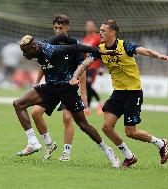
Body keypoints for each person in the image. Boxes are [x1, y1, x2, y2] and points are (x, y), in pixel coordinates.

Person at [70, 19, 168, 168]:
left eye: (103, 30)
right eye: (100, 30)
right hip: (118, 93)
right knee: (106, 127)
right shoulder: (100, 49)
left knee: (131, 132)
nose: (100, 33)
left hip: (133, 92)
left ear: (112, 32)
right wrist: (75, 76)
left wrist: (159, 56)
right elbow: (85, 63)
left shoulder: (124, 46)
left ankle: (161, 143)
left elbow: (145, 51)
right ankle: (129, 156)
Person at [13, 34, 120, 168]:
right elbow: (60, 37)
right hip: (50, 88)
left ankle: (107, 150)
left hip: (67, 89)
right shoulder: (42, 46)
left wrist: (100, 51)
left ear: (33, 47)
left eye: (26, 51)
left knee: (83, 125)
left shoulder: (54, 50)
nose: (24, 55)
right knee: (18, 104)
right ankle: (33, 142)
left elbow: (76, 47)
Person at [31, 14, 87, 161]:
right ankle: (49, 144)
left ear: (67, 28)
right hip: (51, 86)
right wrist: (37, 81)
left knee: (67, 117)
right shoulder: (49, 44)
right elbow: (44, 65)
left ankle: (66, 153)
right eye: (55, 28)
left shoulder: (75, 45)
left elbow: (83, 68)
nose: (58, 31)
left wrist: (83, 92)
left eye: (61, 28)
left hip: (68, 87)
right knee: (36, 112)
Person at [83, 20, 103, 115]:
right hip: (86, 65)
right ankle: (91, 106)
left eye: (90, 26)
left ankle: (94, 105)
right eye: (87, 26)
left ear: (94, 27)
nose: (88, 27)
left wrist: (101, 67)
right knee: (87, 86)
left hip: (94, 65)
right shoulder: (86, 38)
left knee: (88, 85)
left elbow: (102, 52)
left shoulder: (98, 37)